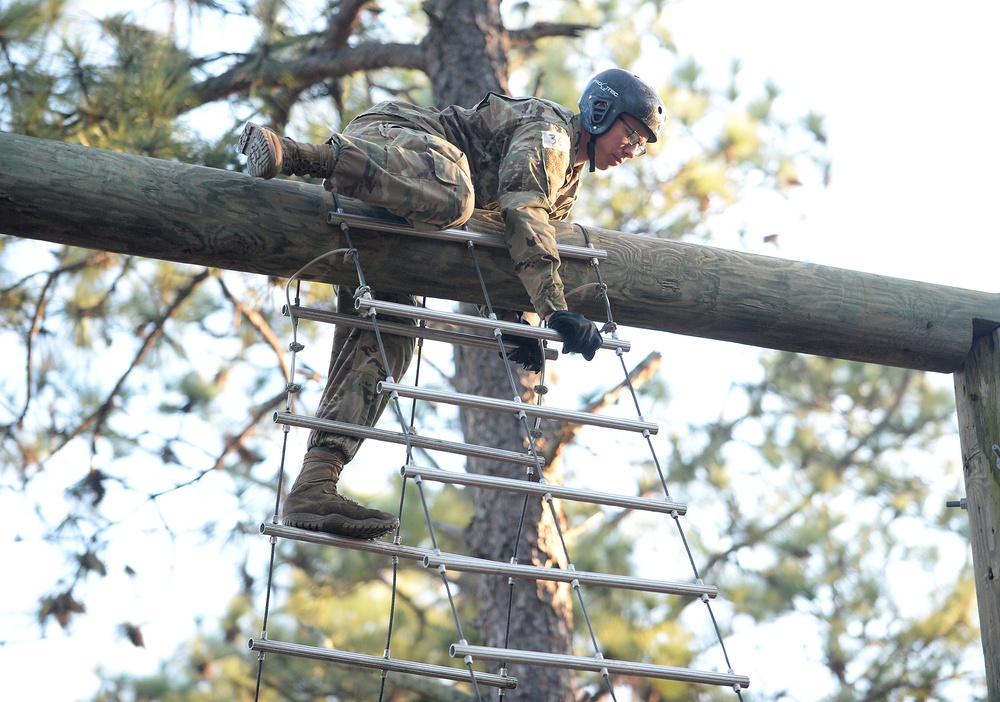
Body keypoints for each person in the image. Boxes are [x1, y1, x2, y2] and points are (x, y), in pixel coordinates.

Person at [239, 68, 665, 539]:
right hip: (397, 141)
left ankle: (314, 484)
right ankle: (297, 154)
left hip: (408, 213)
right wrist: (554, 309)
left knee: (389, 342)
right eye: (632, 133)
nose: (633, 149)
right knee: (457, 195)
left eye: (643, 144)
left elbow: (504, 245)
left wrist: (513, 322)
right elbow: (523, 212)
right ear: (601, 112)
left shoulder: (565, 187)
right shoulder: (552, 133)